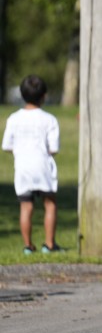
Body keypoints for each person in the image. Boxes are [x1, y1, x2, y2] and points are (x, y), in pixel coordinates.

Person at [2, 75, 62, 254]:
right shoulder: (49, 119)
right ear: (43, 96)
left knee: (26, 206)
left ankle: (28, 245)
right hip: (43, 165)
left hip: (23, 167)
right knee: (49, 203)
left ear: (22, 95)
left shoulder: (14, 118)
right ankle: (49, 244)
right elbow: (54, 148)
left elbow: (6, 146)